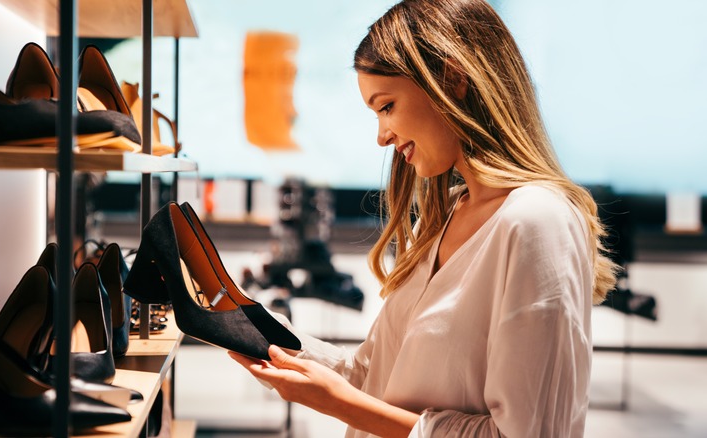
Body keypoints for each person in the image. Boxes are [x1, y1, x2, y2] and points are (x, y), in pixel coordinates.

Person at [230, 0, 618, 436]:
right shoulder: (446, 217)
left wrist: (341, 405)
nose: (382, 136)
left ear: (452, 79)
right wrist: (268, 338)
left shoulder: (536, 222)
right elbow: (375, 376)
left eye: (387, 106)